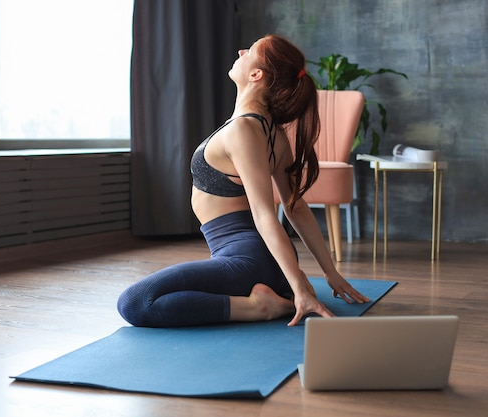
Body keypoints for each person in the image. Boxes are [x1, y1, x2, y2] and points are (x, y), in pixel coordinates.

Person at [117, 34, 369, 328]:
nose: (241, 50)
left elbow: (265, 214)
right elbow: (295, 207)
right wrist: (327, 273)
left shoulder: (243, 131)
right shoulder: (271, 133)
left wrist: (304, 285)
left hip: (246, 262)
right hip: (257, 262)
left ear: (256, 74)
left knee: (135, 302)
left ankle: (258, 307)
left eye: (249, 51)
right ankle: (278, 292)